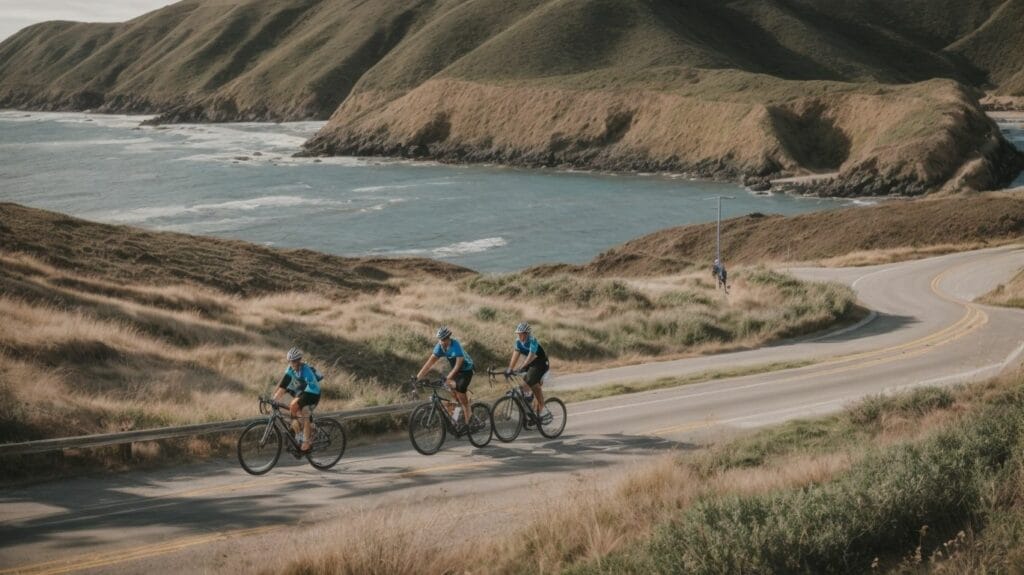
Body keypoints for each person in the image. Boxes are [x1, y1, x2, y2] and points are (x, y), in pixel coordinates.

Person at [416, 326, 474, 430]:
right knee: (452, 398)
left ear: (448, 337)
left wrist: (448, 377)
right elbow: (429, 363)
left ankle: (468, 423)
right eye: (440, 339)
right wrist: (418, 377)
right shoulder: (440, 347)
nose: (442, 342)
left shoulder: (455, 344)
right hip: (456, 371)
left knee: (460, 393)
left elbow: (458, 365)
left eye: (444, 339)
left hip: (466, 370)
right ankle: (456, 419)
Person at [273, 347, 322, 453]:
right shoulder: (290, 369)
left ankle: (306, 441)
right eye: (291, 361)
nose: (293, 364)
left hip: (313, 393)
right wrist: (274, 398)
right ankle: (306, 430)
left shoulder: (306, 370)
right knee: (295, 410)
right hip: (302, 393)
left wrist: (298, 401)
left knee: (302, 410)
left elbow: (308, 389)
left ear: (299, 360)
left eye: (295, 361)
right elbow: (283, 386)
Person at [505, 322, 552, 423]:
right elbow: (515, 355)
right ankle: (532, 410)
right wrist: (510, 369)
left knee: (528, 383)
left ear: (526, 334)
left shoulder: (532, 341)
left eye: (521, 333)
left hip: (541, 363)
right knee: (527, 384)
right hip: (531, 364)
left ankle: (541, 409)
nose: (519, 335)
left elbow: (531, 356)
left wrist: (521, 366)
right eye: (518, 333)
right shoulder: (518, 341)